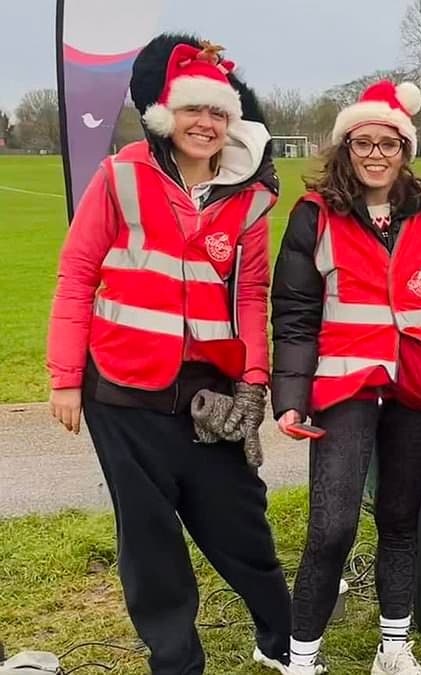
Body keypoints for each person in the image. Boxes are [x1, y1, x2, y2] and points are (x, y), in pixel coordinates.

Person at [46, 34, 292, 674]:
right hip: (121, 395)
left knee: (241, 525)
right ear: (166, 113)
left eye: (218, 112)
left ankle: (285, 639)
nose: (206, 123)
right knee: (151, 543)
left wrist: (254, 382)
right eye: (193, 109)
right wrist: (65, 377)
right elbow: (76, 275)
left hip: (209, 395)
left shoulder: (248, 197)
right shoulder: (122, 173)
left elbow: (252, 295)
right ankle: (177, 661)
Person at [270, 81, 421, 675]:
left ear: (404, 149)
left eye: (387, 143)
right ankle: (302, 659)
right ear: (345, 147)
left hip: (413, 383)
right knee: (333, 524)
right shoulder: (314, 214)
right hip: (344, 383)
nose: (374, 153)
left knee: (399, 518)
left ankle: (394, 648)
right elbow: (294, 316)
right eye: (362, 142)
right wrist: (289, 399)